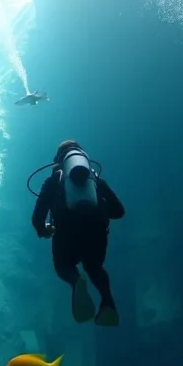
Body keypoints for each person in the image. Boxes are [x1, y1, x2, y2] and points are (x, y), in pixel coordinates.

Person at [32, 140, 125, 326]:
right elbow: (119, 211)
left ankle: (76, 281)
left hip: (66, 231)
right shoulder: (96, 180)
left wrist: (44, 230)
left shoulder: (53, 182)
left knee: (63, 266)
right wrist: (101, 212)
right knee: (95, 268)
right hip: (97, 231)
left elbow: (37, 217)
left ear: (59, 161)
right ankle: (108, 303)